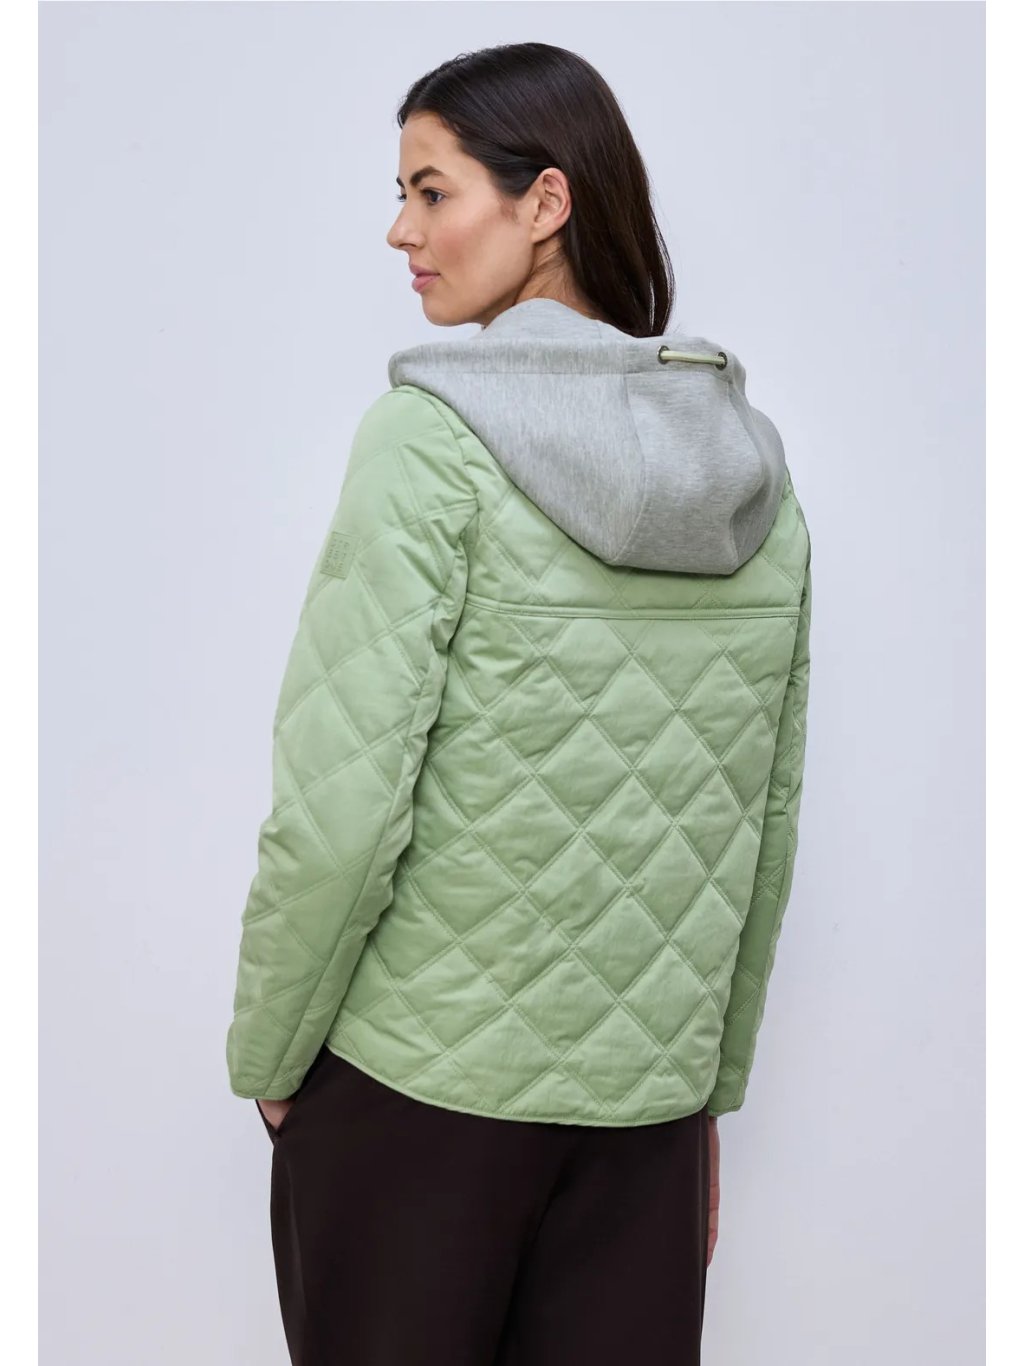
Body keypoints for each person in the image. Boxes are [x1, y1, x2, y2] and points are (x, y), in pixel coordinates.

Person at [226, 41, 812, 1366]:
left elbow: (341, 806)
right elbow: (763, 822)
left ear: (546, 202)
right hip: (645, 1117)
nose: (401, 230)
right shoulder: (749, 473)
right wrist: (700, 1097)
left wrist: (270, 1056)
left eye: (431, 191)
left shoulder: (429, 440)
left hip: (417, 1097)